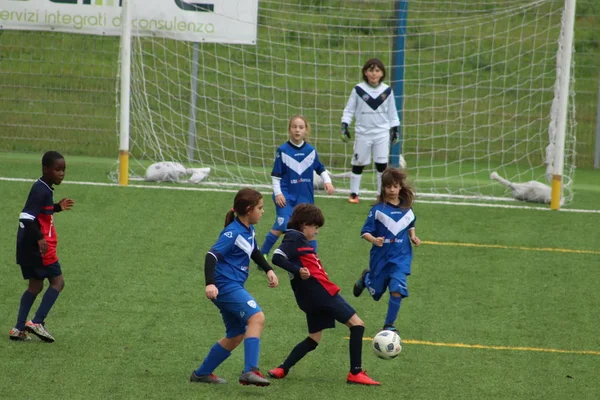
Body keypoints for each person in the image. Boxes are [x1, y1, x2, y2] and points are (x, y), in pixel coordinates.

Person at [268, 204, 380, 386]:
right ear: (305, 224)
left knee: (314, 338)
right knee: (357, 325)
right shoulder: (295, 236)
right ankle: (355, 372)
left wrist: (298, 270)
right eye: (315, 227)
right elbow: (277, 257)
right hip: (322, 292)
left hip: (307, 298)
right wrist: (298, 270)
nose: (317, 232)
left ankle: (282, 368)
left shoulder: (297, 239)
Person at [190, 188, 279, 386]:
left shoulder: (248, 229)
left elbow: (254, 250)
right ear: (248, 210)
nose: (263, 211)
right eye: (260, 208)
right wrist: (210, 283)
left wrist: (268, 269)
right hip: (225, 285)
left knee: (237, 333)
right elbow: (211, 255)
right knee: (257, 317)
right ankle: (250, 371)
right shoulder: (233, 232)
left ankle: (201, 373)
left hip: (232, 284)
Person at [10, 151, 75, 343]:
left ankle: (18, 328)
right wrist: (40, 239)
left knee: (35, 286)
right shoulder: (41, 190)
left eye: (63, 170)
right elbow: (26, 217)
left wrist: (56, 208)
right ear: (45, 169)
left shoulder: (44, 188)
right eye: (57, 169)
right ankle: (37, 322)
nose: (61, 173)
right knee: (58, 282)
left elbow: (38, 212)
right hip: (39, 249)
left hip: (26, 248)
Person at [353, 168, 420, 332]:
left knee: (397, 288)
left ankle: (389, 325)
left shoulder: (408, 210)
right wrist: (374, 240)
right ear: (383, 188)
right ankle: (366, 278)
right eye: (388, 186)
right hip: (381, 258)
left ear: (400, 188)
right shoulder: (377, 211)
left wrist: (413, 236)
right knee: (376, 294)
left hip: (400, 259)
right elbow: (365, 232)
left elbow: (410, 224)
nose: (392, 190)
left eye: (395, 186)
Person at [260, 115, 334, 257]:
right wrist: (278, 193)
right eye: (294, 127)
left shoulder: (310, 151)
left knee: (308, 227)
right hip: (285, 195)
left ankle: (312, 257)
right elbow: (276, 176)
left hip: (305, 197)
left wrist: (327, 181)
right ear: (289, 129)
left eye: (301, 127)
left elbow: (321, 169)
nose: (297, 130)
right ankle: (262, 254)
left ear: (306, 130)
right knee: (282, 225)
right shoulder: (283, 150)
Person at [340, 58, 400, 204]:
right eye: (371, 70)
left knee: (381, 165)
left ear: (382, 73)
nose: (374, 74)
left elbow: (392, 113)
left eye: (377, 70)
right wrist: (344, 125)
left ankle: (381, 195)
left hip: (381, 133)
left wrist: (395, 129)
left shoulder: (387, 91)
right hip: (363, 133)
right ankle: (354, 193)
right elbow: (349, 109)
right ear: (365, 72)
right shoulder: (358, 90)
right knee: (358, 162)